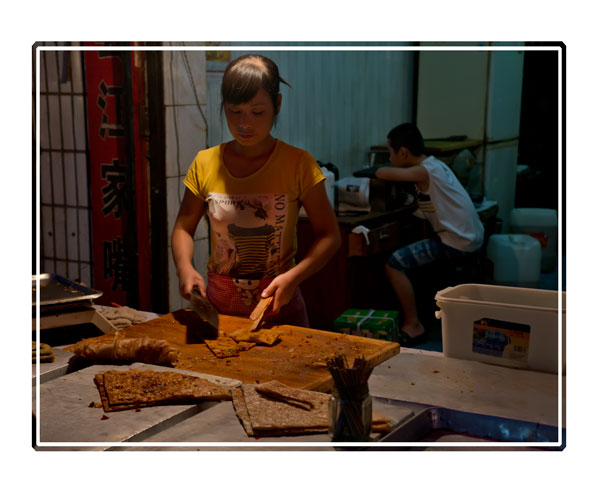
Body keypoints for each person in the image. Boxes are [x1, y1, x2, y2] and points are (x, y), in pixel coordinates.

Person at [171, 54, 341, 327]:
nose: (244, 124)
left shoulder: (298, 164)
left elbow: (330, 235)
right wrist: (184, 267)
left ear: (277, 105)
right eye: (234, 111)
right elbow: (182, 228)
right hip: (218, 311)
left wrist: (294, 276)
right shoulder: (205, 163)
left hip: (280, 310)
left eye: (257, 112)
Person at [375, 123, 484, 346]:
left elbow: (381, 172)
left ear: (403, 152)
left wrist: (380, 169)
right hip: (471, 237)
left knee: (394, 263)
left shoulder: (424, 170)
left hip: (456, 242)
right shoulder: (435, 165)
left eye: (390, 152)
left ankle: (413, 325)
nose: (390, 157)